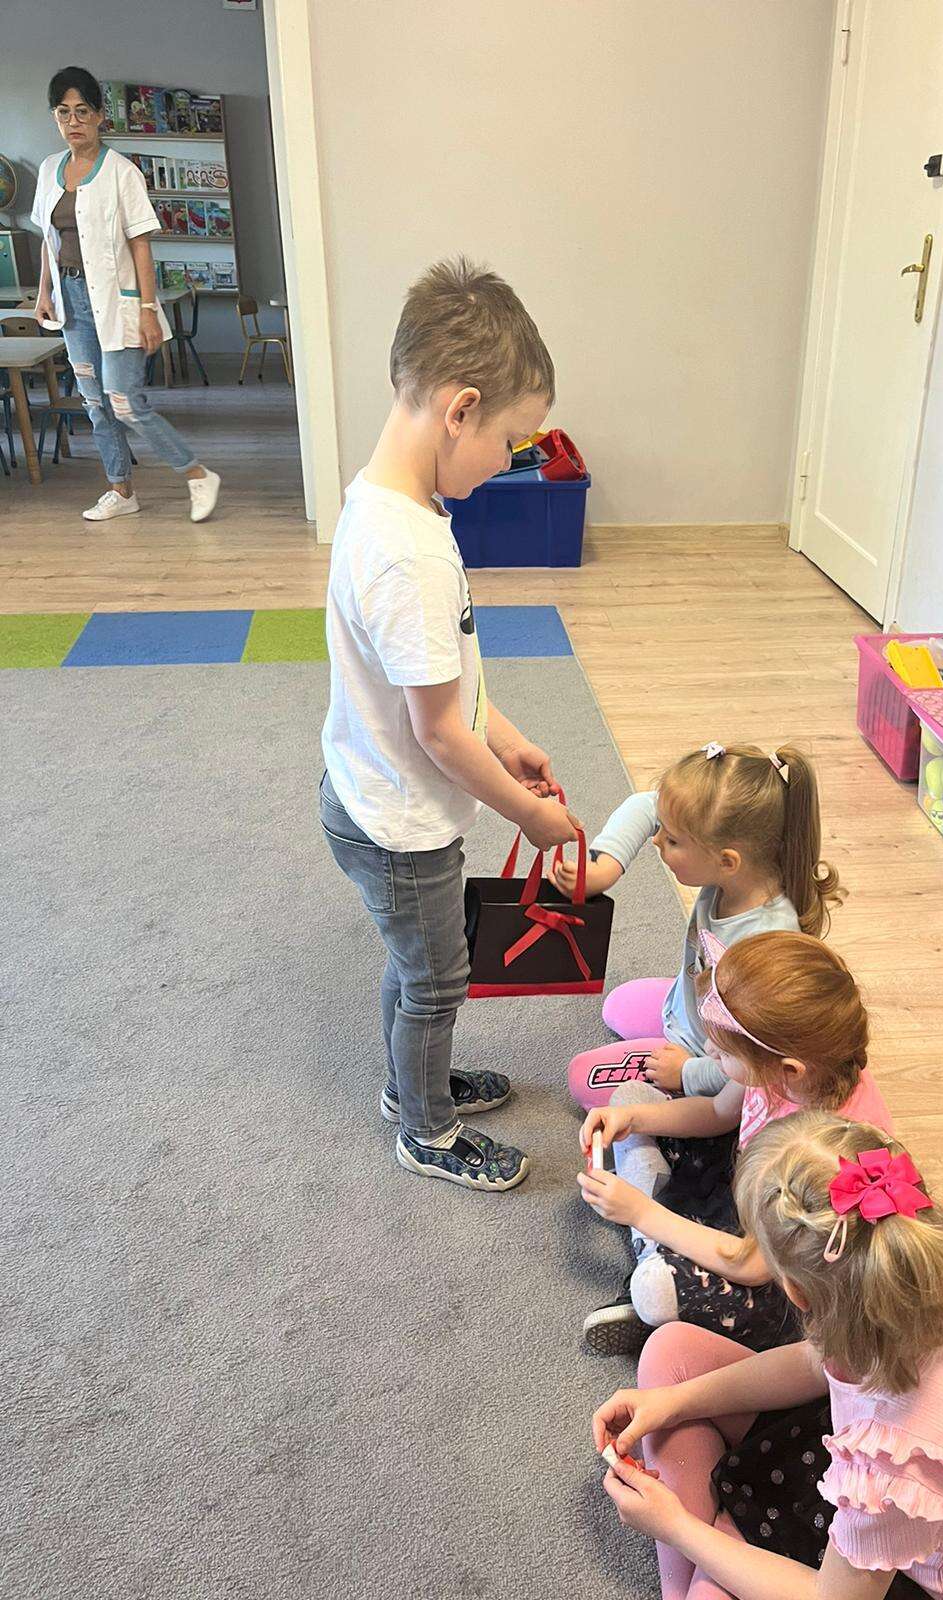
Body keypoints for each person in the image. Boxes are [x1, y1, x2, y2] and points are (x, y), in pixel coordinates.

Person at [319, 257, 578, 1193]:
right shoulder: (410, 557)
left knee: (417, 959)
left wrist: (505, 734)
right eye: (511, 440)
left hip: (374, 790)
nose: (511, 461)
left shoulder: (391, 505)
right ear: (460, 410)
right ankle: (424, 1127)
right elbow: (436, 734)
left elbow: (441, 681)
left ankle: (411, 1081)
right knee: (436, 978)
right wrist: (528, 813)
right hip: (399, 821)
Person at [592, 1114, 943, 1600]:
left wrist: (675, 1527)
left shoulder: (892, 1465)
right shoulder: (923, 1282)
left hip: (908, 1571)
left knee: (706, 1579)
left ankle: (697, 1559)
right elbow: (815, 1365)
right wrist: (675, 1402)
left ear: (796, 1292)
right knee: (670, 1352)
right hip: (885, 1477)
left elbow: (832, 1597)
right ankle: (706, 1550)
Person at [578, 931, 891, 1354]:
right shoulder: (788, 1068)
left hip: (777, 1266)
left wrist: (642, 1212)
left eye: (724, 1053)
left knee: (655, 1288)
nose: (708, 1051)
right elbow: (716, 1113)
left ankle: (651, 1248)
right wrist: (632, 1119)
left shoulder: (821, 1152)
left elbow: (753, 1265)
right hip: (748, 1189)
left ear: (788, 1069)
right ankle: (657, 1239)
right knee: (631, 1097)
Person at [564, 742, 841, 1111]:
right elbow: (645, 805)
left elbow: (755, 1064)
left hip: (718, 1055)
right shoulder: (741, 875)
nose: (656, 839)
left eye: (672, 840)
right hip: (691, 1012)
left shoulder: (765, 944)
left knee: (582, 1077)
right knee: (616, 1004)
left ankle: (663, 1131)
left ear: (727, 861)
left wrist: (688, 1073)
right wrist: (605, 867)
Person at [30, 66, 220, 524]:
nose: (73, 121)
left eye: (82, 111)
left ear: (99, 116)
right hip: (72, 300)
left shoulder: (122, 172)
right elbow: (48, 240)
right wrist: (44, 292)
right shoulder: (49, 170)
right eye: (63, 112)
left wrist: (149, 310)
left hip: (119, 302)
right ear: (55, 117)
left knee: (125, 401)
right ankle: (121, 490)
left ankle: (196, 473)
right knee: (95, 404)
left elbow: (141, 245)